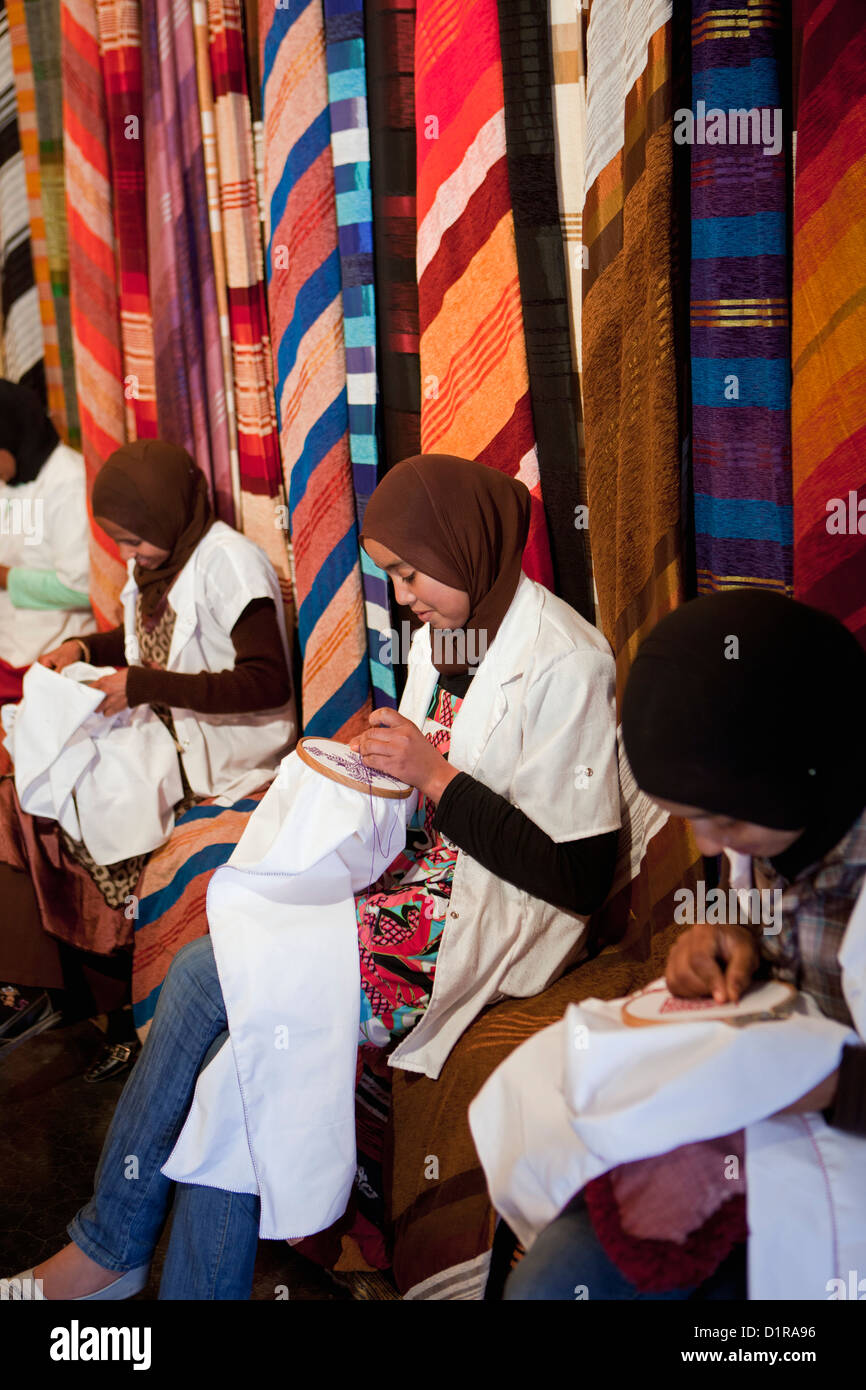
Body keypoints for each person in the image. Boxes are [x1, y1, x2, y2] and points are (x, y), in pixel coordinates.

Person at [12, 453, 622, 1298]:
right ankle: (114, 1256)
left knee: (203, 971)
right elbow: (424, 779)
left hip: (473, 927)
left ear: (464, 543)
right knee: (234, 1068)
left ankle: (108, 1249)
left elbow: (579, 874)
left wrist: (434, 776)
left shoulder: (567, 660)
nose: (402, 596)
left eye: (409, 573)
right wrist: (367, 768)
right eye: (392, 577)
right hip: (414, 888)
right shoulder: (453, 637)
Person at [503, 588, 866, 1299]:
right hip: (764, 1141)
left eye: (722, 816)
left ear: (806, 770)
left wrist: (830, 1086)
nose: (706, 844)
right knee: (555, 1284)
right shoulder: (777, 827)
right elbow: (775, 939)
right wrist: (732, 946)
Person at [0, 439, 295, 1074]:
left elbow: (268, 682)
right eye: (121, 545)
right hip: (166, 730)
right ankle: (71, 993)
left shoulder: (229, 566)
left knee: (82, 802)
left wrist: (140, 685)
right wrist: (82, 649)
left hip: (225, 754)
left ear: (167, 514)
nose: (129, 558)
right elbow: (138, 642)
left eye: (135, 542)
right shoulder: (158, 566)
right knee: (28, 781)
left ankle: (117, 1009)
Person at [0, 379, 94, 698]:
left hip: (52, 661)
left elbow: (82, 588)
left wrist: (5, 578)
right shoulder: (13, 478)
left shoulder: (69, 483)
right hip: (11, 650)